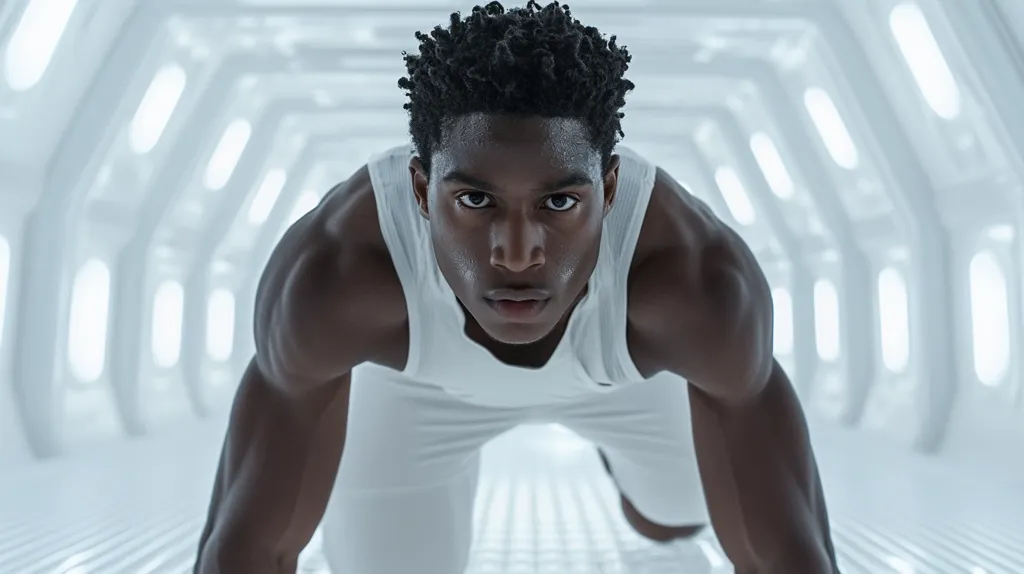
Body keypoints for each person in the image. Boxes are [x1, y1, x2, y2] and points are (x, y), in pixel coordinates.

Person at [193, 1, 839, 572]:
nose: (518, 254)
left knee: (671, 516)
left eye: (559, 203)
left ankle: (628, 470)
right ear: (421, 191)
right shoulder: (336, 282)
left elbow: (785, 553)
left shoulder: (696, 289)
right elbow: (246, 545)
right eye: (476, 200)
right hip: (416, 391)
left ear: (608, 192)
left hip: (629, 382)